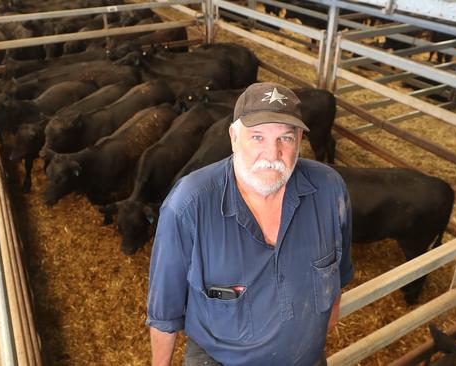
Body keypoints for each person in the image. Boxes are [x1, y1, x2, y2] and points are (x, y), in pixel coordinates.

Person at [146, 82, 353, 366]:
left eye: (285, 138)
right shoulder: (188, 205)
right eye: (257, 137)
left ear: (300, 139)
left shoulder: (330, 190)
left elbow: (338, 276)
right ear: (233, 137)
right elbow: (164, 313)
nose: (272, 154)